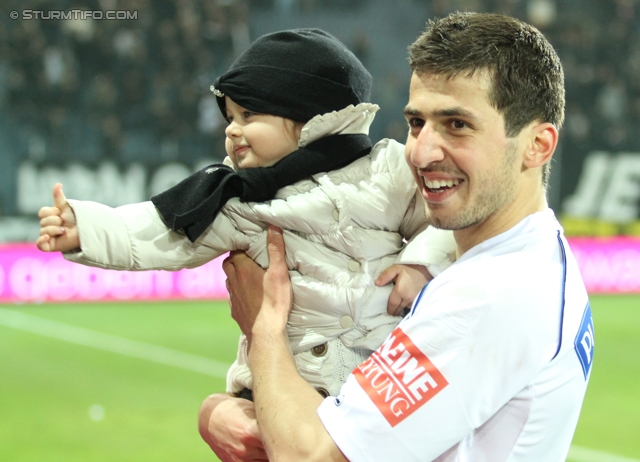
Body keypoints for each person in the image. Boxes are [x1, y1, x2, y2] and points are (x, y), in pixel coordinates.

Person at [199, 12, 594, 461]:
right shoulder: (534, 255)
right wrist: (218, 412)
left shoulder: (486, 297)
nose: (422, 152)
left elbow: (313, 457)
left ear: (538, 145)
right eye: (416, 123)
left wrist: (263, 327)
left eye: (457, 125)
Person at [37, 29, 455, 402]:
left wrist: (420, 264)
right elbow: (162, 233)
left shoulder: (387, 168)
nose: (231, 130)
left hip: (381, 380)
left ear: (305, 115)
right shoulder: (239, 200)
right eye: (230, 118)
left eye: (248, 115)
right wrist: (86, 228)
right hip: (291, 386)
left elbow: (443, 223)